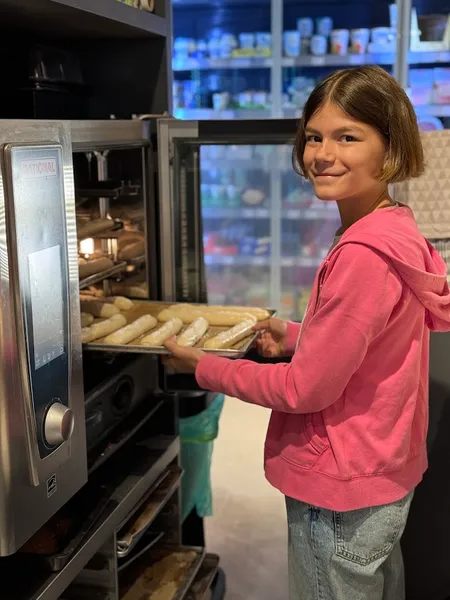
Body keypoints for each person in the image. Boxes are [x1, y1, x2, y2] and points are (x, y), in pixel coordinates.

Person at [164, 65, 450, 600]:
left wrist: (203, 366)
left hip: (341, 486)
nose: (322, 153)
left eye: (348, 137)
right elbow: (371, 341)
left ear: (390, 148)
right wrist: (297, 336)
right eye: (314, 137)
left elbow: (303, 391)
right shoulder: (397, 230)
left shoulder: (362, 256)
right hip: (382, 471)